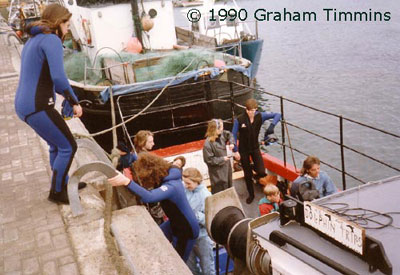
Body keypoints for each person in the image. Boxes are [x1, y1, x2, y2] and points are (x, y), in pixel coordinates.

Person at [14, 4, 84, 204]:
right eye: (67, 24)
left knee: (56, 145)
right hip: (37, 106)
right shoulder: (52, 39)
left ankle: (64, 182)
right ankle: (57, 192)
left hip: (25, 105)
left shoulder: (34, 39)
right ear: (58, 23)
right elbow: (60, 79)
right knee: (68, 146)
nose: (68, 29)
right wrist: (74, 102)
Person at [108, 153, 199, 261]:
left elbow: (149, 197)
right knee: (154, 238)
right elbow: (146, 162)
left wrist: (126, 182)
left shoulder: (171, 186)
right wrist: (129, 155)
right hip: (174, 222)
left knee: (178, 261)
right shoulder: (165, 171)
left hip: (186, 230)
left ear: (151, 176)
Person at [232, 99, 281, 204]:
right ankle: (251, 194)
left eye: (253, 110)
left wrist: (271, 126)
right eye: (249, 111)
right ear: (246, 109)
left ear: (256, 109)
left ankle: (254, 169)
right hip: (243, 149)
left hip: (255, 147)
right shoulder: (239, 120)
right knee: (247, 174)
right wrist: (235, 150)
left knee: (262, 171)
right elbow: (233, 134)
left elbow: (278, 115)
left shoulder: (260, 116)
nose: (251, 113)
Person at [183, 168, 216, 275]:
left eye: (188, 183)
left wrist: (193, 215)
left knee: (207, 266)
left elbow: (210, 220)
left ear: (197, 181)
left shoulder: (206, 195)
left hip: (202, 237)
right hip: (188, 236)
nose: (186, 185)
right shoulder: (186, 190)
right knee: (189, 264)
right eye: (184, 183)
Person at [203, 119, 239, 194]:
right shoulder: (207, 144)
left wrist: (232, 143)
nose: (223, 129)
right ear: (216, 129)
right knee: (220, 188)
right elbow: (209, 160)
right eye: (221, 127)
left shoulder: (221, 134)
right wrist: (222, 159)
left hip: (226, 167)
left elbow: (229, 134)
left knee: (229, 183)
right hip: (217, 172)